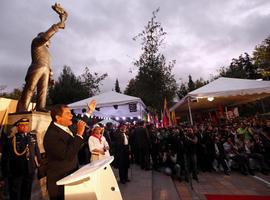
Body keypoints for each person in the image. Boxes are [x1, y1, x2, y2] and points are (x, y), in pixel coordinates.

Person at [16, 3, 68, 112]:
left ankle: (40, 107)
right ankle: (22, 109)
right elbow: (45, 36)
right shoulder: (37, 42)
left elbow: (47, 62)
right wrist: (58, 25)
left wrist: (50, 77)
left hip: (45, 69)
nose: (50, 41)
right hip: (37, 67)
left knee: (43, 90)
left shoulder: (47, 52)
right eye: (49, 40)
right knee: (30, 88)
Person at [43, 104, 87, 200]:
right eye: (68, 113)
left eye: (71, 112)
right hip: (60, 182)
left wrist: (89, 111)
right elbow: (68, 155)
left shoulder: (66, 127)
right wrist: (79, 134)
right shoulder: (51, 135)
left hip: (71, 175)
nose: (71, 115)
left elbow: (81, 124)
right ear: (58, 118)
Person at [1, 118, 41, 200]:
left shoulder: (32, 137)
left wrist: (39, 163)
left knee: (27, 191)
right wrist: (5, 173)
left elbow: (37, 152)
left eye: (26, 125)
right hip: (16, 171)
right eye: (22, 125)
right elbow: (6, 157)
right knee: (15, 193)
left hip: (30, 169)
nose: (25, 127)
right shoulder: (11, 140)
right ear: (18, 127)